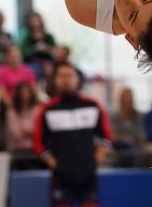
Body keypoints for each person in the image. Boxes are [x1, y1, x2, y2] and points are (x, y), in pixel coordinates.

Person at [34, 62, 113, 207]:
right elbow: (39, 142)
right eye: (61, 76)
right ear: (55, 80)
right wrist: (52, 162)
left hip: (88, 176)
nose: (66, 79)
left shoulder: (93, 105)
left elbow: (106, 136)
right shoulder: (47, 109)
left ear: (77, 79)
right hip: (61, 177)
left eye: (69, 75)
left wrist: (99, 154)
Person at [111, 87, 144, 167]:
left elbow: (140, 134)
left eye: (129, 97)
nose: (127, 100)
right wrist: (125, 138)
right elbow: (112, 135)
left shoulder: (138, 116)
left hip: (134, 146)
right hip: (118, 146)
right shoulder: (114, 116)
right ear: (121, 99)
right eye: (124, 97)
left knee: (131, 148)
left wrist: (129, 138)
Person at [18, 11, 56, 77]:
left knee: (52, 69)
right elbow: (23, 53)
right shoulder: (26, 37)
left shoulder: (48, 36)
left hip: (48, 62)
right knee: (34, 70)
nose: (35, 23)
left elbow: (55, 51)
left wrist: (47, 48)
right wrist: (35, 48)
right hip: (32, 63)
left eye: (37, 20)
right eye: (33, 20)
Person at [6, 82, 40, 152]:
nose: (25, 96)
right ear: (18, 94)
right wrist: (31, 132)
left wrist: (28, 132)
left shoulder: (38, 109)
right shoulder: (12, 111)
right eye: (22, 93)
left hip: (36, 148)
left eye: (28, 92)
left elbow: (39, 131)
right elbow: (16, 133)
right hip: (17, 148)